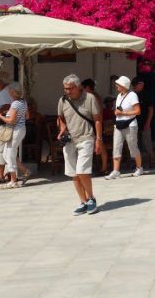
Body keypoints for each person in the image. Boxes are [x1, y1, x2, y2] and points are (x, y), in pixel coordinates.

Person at [58, 74, 102, 215]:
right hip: (70, 140)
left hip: (86, 137)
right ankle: (83, 202)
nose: (68, 91)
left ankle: (91, 198)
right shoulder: (63, 100)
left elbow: (97, 120)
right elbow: (61, 118)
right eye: (65, 89)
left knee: (82, 171)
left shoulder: (90, 98)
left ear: (78, 87)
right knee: (74, 174)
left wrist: (99, 139)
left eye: (70, 88)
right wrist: (62, 130)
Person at [105, 75, 144, 179]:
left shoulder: (132, 95)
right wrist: (117, 113)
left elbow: (137, 111)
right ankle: (116, 170)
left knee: (133, 147)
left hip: (130, 124)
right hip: (118, 124)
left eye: (118, 84)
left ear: (123, 85)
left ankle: (139, 167)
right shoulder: (119, 96)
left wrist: (123, 113)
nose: (116, 86)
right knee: (116, 147)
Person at [0, 83, 27, 189]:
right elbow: (27, 116)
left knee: (9, 154)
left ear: (13, 92)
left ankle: (13, 180)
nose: (8, 92)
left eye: (9, 91)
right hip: (20, 129)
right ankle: (18, 176)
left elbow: (11, 121)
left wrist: (0, 116)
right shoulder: (23, 102)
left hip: (15, 131)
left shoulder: (15, 104)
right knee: (6, 154)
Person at [81, 78, 109, 176]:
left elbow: (97, 113)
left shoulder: (92, 97)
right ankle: (101, 167)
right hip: (95, 122)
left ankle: (104, 167)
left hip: (96, 123)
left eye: (83, 88)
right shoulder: (94, 96)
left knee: (101, 146)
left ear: (87, 87)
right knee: (97, 146)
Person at [134, 76, 155, 168]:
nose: (135, 87)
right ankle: (139, 163)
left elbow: (151, 109)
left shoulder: (146, 94)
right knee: (136, 143)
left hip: (144, 122)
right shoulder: (133, 95)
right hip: (135, 123)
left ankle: (152, 159)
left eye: (136, 85)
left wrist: (148, 122)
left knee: (147, 142)